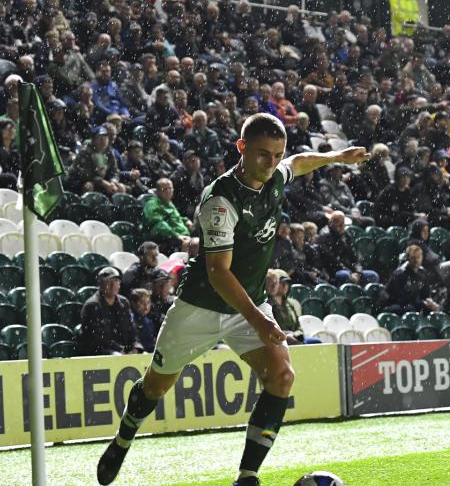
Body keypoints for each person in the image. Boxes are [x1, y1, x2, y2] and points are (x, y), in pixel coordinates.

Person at [97, 113, 370, 486]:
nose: (271, 163)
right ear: (241, 148)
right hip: (201, 307)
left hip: (249, 302)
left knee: (282, 376)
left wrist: (337, 158)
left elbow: (298, 163)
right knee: (155, 387)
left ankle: (247, 476)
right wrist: (259, 320)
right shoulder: (221, 200)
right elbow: (218, 272)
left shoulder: (275, 174)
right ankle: (124, 436)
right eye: (262, 155)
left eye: (276, 154)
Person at [78, 267, 142, 356]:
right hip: (99, 351)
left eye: (116, 281)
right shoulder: (92, 306)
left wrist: (135, 346)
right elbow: (98, 338)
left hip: (121, 349)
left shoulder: (124, 302)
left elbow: (132, 329)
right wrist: (121, 349)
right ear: (100, 283)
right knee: (117, 357)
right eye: (109, 281)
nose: (113, 284)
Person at [142, 178, 195, 255]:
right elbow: (158, 224)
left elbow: (174, 218)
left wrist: (185, 220)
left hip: (183, 235)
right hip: (166, 239)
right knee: (191, 244)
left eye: (170, 188)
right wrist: (177, 236)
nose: (168, 191)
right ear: (157, 191)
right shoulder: (152, 204)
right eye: (164, 189)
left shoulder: (169, 203)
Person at [385, 244, 440, 315]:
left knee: (434, 310)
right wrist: (422, 303)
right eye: (413, 258)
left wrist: (430, 303)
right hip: (397, 304)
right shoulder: (400, 274)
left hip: (414, 303)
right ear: (408, 258)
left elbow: (426, 294)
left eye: (418, 257)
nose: (416, 260)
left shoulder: (423, 272)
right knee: (410, 309)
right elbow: (402, 299)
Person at [130, 288, 159, 353]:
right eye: (142, 303)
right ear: (133, 303)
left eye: (148, 302)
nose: (146, 306)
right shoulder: (130, 319)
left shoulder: (150, 320)